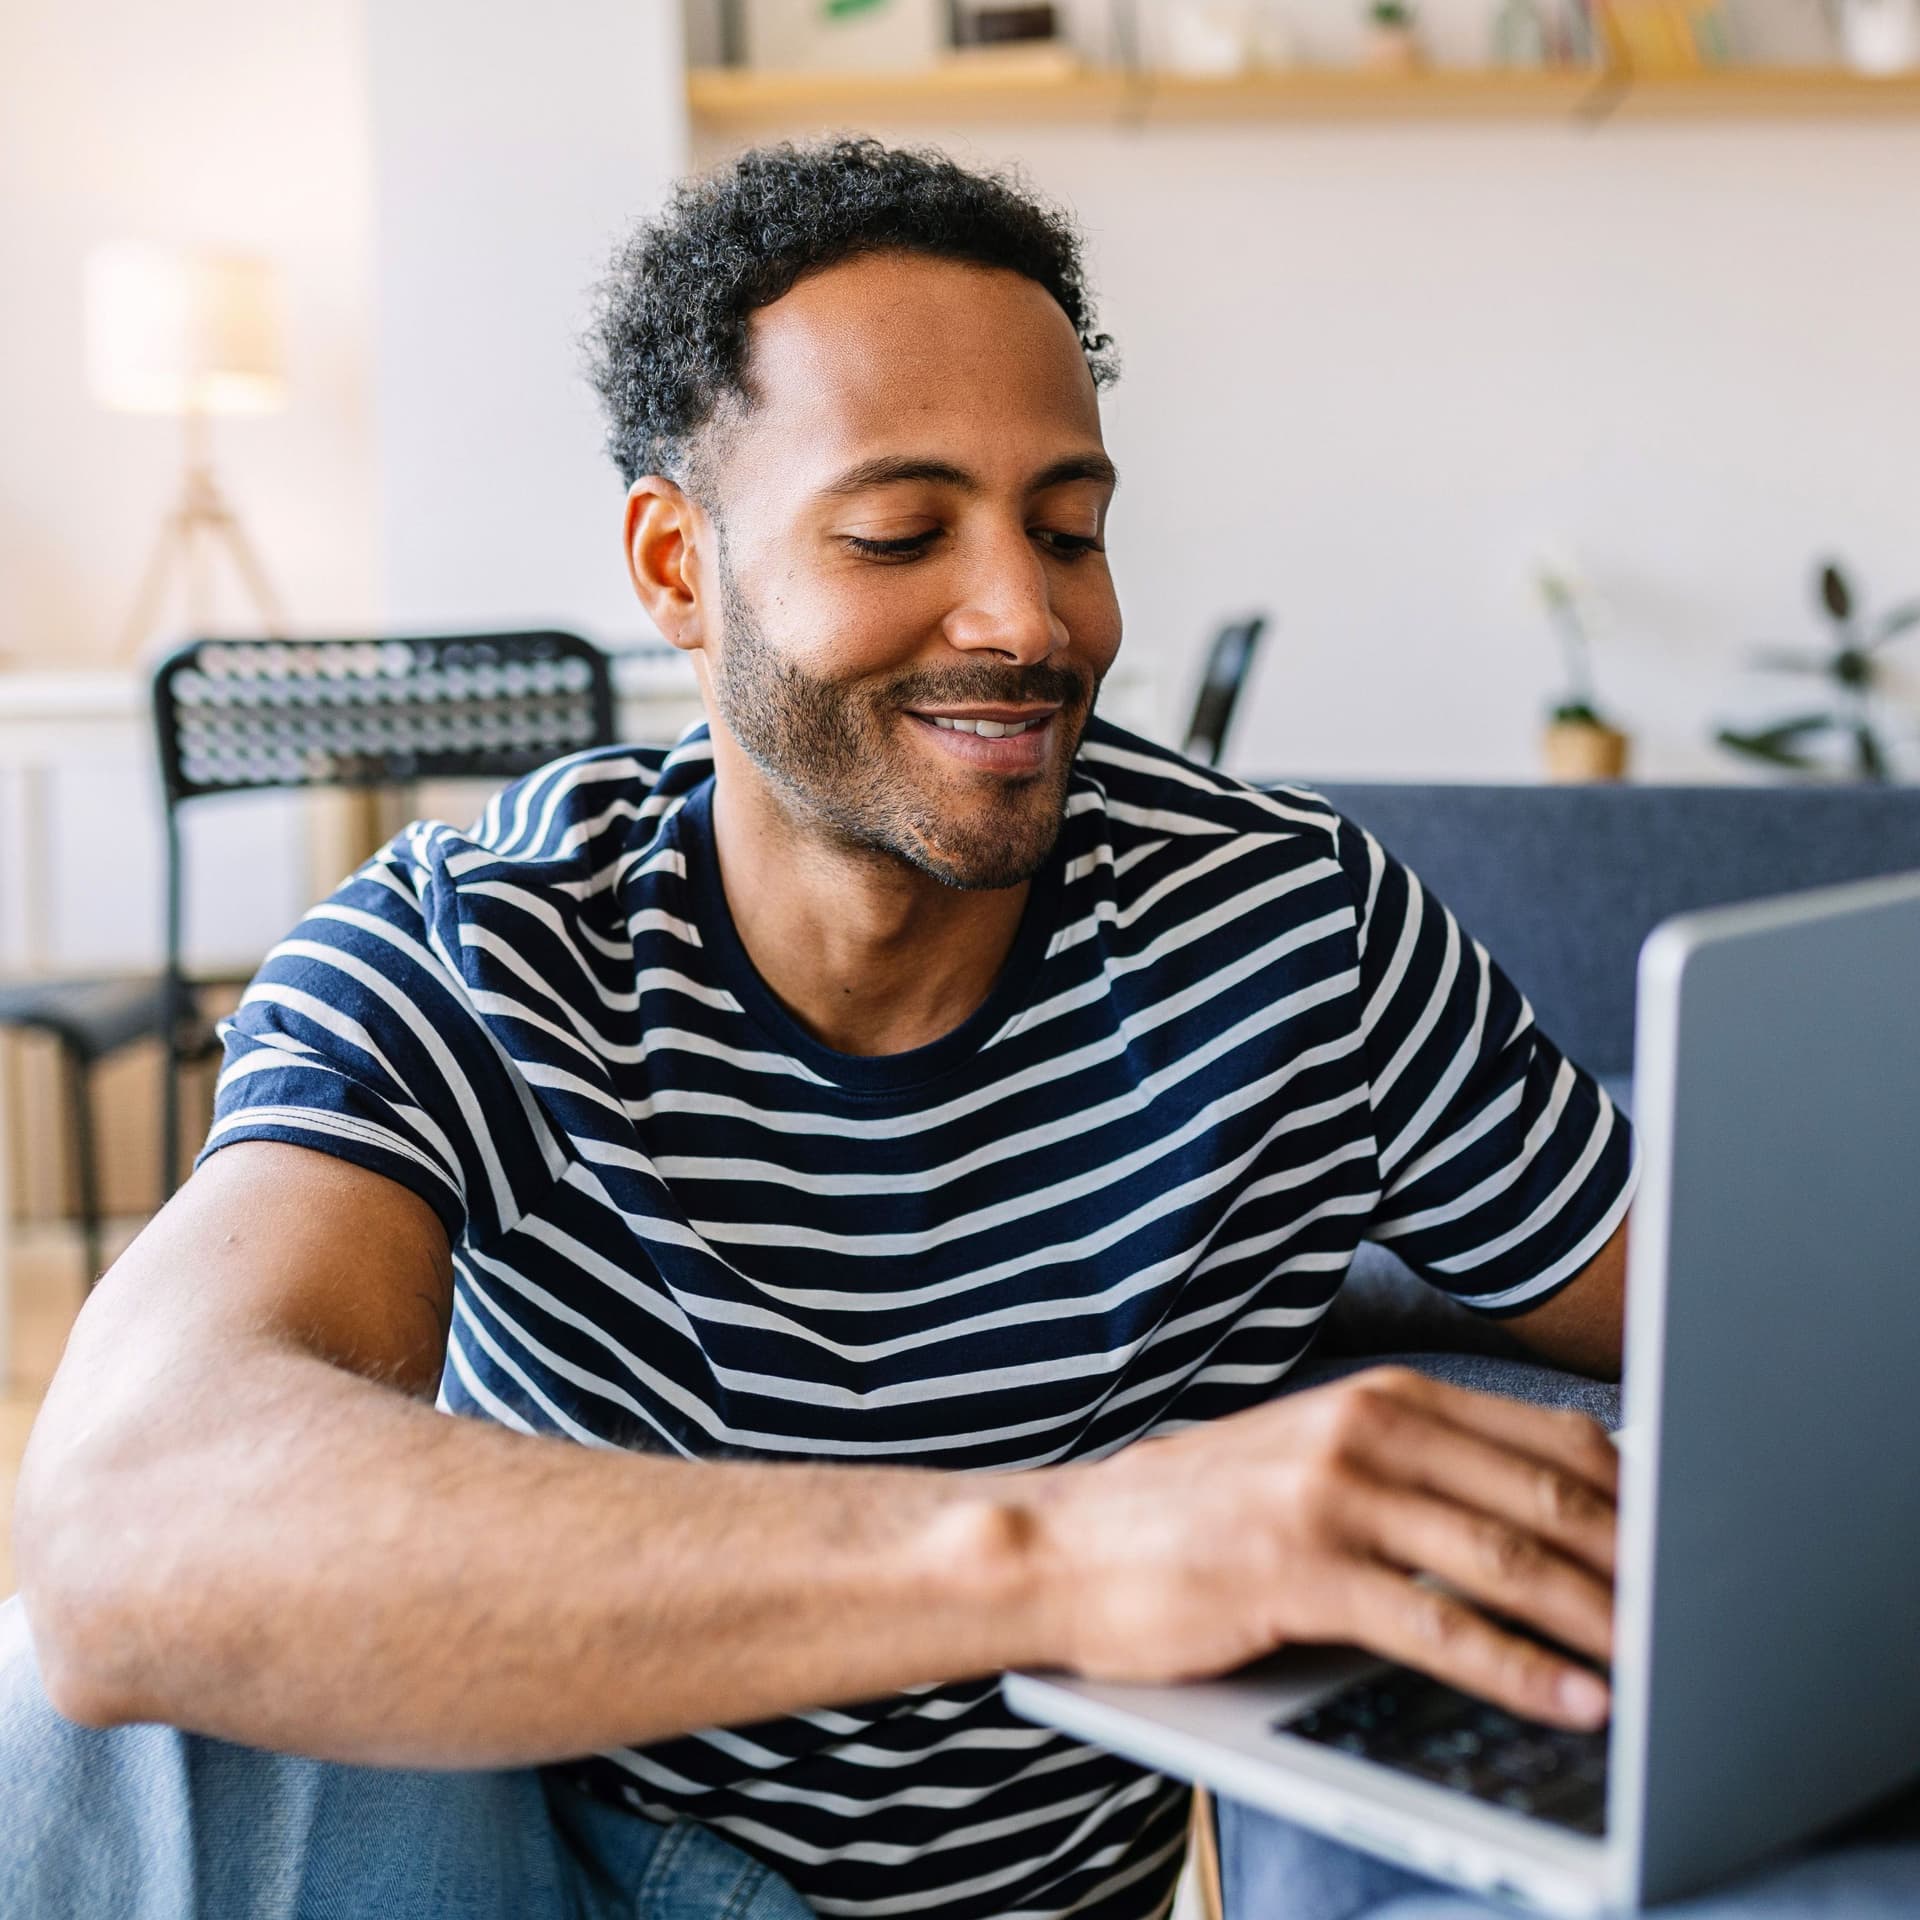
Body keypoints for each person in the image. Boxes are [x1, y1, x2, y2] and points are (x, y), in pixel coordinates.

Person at [14, 135, 1801, 1920]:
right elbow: (120, 1530)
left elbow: (1745, 1324)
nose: (1026, 617)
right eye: (898, 531)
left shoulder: (1295, 933)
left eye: (1070, 528)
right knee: (113, 1719)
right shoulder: (473, 945)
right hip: (525, 1859)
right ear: (677, 566)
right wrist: (1048, 1551)